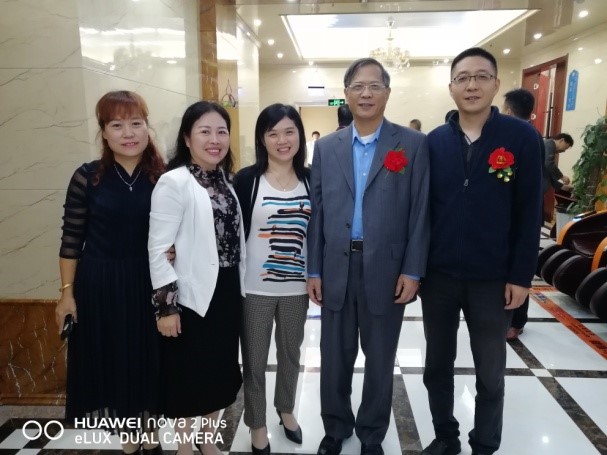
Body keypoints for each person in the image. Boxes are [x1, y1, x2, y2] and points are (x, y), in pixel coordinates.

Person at [421, 48, 542, 455]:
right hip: (439, 277)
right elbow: (423, 212)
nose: (471, 85)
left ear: (496, 84)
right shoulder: (434, 142)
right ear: (451, 86)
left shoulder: (520, 137)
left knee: (490, 372)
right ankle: (445, 437)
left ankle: (485, 444)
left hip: (493, 279)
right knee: (437, 366)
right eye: (463, 78)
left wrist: (521, 276)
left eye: (481, 76)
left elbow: (529, 212)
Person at [307, 57, 430, 455]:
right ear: (346, 94)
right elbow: (317, 212)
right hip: (335, 266)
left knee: (380, 359)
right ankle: (335, 427)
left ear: (387, 93)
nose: (366, 94)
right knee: (334, 356)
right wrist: (314, 269)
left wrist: (413, 270)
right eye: (357, 86)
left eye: (374, 86)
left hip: (387, 269)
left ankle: (372, 433)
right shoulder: (327, 148)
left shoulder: (411, 144)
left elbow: (420, 211)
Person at [56, 90, 165, 455]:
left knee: (149, 358)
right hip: (101, 284)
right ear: (103, 132)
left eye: (136, 123)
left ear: (147, 127)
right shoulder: (87, 177)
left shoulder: (164, 176)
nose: (128, 133)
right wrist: (67, 293)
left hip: (150, 283)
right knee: (114, 359)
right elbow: (71, 239)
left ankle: (150, 430)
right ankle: (128, 436)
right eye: (117, 125)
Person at [148, 101, 245, 455]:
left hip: (227, 290)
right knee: (189, 376)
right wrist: (166, 308)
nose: (214, 140)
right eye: (205, 131)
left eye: (221, 131)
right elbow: (158, 249)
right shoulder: (173, 182)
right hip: (190, 295)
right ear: (187, 139)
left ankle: (207, 439)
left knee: (218, 372)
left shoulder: (227, 181)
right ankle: (185, 446)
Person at [234, 103, 311, 455]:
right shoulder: (248, 180)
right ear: (262, 139)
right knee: (254, 359)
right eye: (273, 133)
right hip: (255, 289)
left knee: (291, 353)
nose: (282, 140)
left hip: (297, 288)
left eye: (289, 131)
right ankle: (257, 423)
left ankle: (286, 409)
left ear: (299, 136)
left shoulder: (311, 178)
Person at [502, 88, 546, 340]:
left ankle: (517, 320)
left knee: (520, 268)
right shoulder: (531, 133)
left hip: (523, 212)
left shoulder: (526, 136)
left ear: (508, 110)